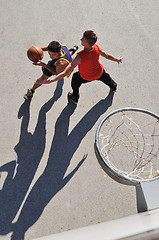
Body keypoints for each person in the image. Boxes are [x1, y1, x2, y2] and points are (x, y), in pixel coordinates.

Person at [34, 30, 123, 104]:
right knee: (106, 77)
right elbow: (106, 55)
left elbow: (65, 72)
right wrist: (116, 59)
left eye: (83, 39)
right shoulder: (97, 47)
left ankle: (74, 98)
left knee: (75, 80)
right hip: (99, 71)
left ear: (87, 43)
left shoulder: (79, 57)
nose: (81, 39)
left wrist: (50, 81)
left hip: (86, 76)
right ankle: (113, 85)